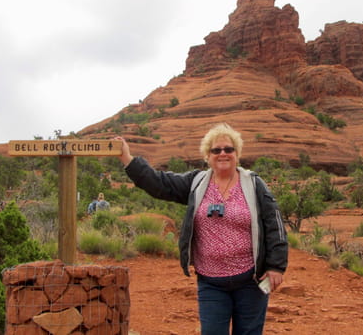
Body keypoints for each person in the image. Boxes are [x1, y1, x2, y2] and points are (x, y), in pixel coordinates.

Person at [115, 123, 288, 335]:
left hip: (251, 281)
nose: (223, 153)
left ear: (237, 153)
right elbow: (160, 184)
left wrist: (276, 266)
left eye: (228, 149)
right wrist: (127, 159)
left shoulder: (253, 184)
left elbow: (274, 224)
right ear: (208, 155)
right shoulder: (197, 182)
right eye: (216, 150)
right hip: (211, 283)